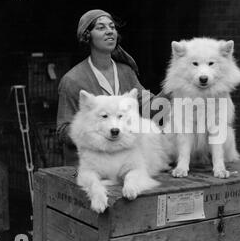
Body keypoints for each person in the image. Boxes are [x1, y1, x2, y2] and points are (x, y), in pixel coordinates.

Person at [57, 9, 167, 165]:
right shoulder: (73, 80)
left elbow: (150, 107)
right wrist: (94, 132)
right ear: (87, 36)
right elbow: (63, 131)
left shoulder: (126, 72)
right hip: (88, 165)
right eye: (101, 28)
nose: (109, 31)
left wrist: (172, 90)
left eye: (112, 27)